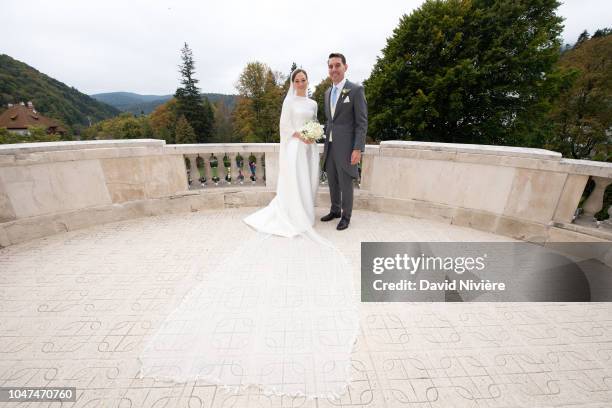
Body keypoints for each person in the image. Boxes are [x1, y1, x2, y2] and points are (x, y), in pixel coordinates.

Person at [137, 68, 359, 400]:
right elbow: (285, 129)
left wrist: (313, 136)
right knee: (295, 185)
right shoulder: (289, 103)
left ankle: (305, 213)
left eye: (304, 80)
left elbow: (321, 125)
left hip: (311, 150)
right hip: (296, 148)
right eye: (297, 80)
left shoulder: (314, 102)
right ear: (292, 83)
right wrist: (299, 137)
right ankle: (293, 215)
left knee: (309, 184)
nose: (301, 84)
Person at [321, 53, 368, 231]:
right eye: (331, 66)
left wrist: (358, 148)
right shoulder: (327, 93)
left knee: (346, 183)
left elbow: (362, 122)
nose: (334, 69)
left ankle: (346, 216)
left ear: (345, 67)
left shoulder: (356, 90)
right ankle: (335, 210)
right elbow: (330, 121)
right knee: (332, 180)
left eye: (337, 65)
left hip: (348, 148)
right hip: (330, 146)